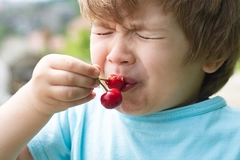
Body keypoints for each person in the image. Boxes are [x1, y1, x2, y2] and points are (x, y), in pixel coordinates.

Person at [1, 0, 240, 159]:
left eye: (144, 34)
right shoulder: (76, 119)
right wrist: (33, 103)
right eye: (103, 31)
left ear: (213, 53)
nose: (116, 55)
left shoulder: (232, 139)